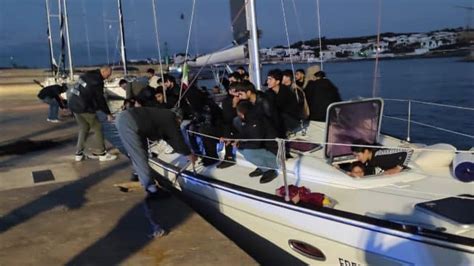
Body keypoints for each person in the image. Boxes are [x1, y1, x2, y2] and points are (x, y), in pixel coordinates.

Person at [116, 106, 196, 197]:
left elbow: (169, 138)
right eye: (180, 122)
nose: (179, 124)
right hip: (129, 122)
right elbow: (176, 137)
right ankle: (152, 190)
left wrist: (183, 151)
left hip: (131, 120)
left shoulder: (165, 116)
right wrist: (188, 153)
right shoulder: (170, 118)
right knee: (139, 155)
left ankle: (137, 174)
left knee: (141, 152)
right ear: (178, 118)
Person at [68, 66, 117, 162]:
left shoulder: (86, 75)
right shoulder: (97, 81)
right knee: (98, 127)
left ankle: (79, 154)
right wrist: (108, 113)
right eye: (108, 74)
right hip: (84, 107)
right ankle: (102, 154)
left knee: (84, 128)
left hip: (73, 104)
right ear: (103, 71)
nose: (109, 76)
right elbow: (100, 99)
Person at [234, 101, 279, 183]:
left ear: (241, 113)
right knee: (240, 148)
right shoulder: (250, 119)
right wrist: (233, 140)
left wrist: (240, 144)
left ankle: (269, 171)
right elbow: (245, 134)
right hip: (264, 148)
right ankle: (262, 166)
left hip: (274, 152)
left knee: (248, 152)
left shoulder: (256, 121)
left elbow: (255, 144)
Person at [265, 69, 301, 135]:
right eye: (267, 79)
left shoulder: (286, 92)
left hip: (292, 120)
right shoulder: (269, 92)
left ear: (277, 81)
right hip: (281, 119)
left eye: (270, 79)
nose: (267, 82)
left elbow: (277, 108)